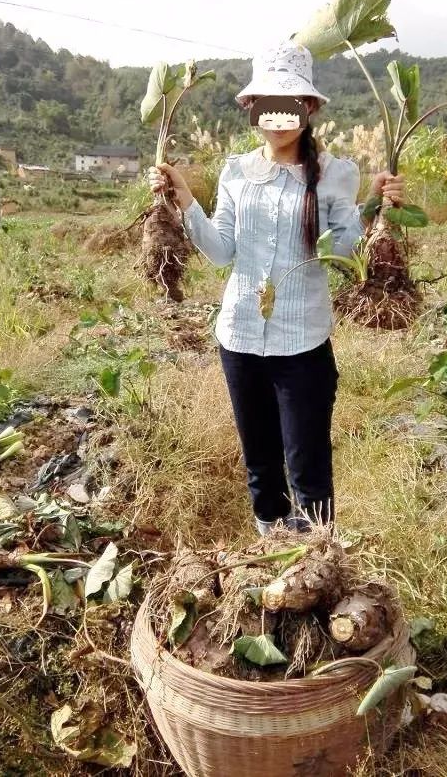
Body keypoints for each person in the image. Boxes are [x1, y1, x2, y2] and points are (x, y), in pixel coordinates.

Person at [149, 40, 405, 535]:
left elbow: (344, 250)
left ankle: (318, 558)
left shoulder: (335, 174)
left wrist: (374, 207)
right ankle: (272, 552)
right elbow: (223, 251)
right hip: (239, 337)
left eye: (291, 105)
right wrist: (183, 199)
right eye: (269, 105)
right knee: (262, 467)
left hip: (301, 343)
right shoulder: (236, 172)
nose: (280, 116)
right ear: (252, 109)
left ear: (308, 109)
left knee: (307, 465)